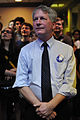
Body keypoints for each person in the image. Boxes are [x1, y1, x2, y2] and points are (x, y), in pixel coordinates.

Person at [13, 5, 77, 120]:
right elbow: (21, 82)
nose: (37, 22)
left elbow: (69, 83)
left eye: (42, 18)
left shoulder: (67, 50)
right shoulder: (25, 50)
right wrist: (41, 107)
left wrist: (50, 106)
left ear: (53, 24)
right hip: (32, 108)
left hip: (60, 108)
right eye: (35, 19)